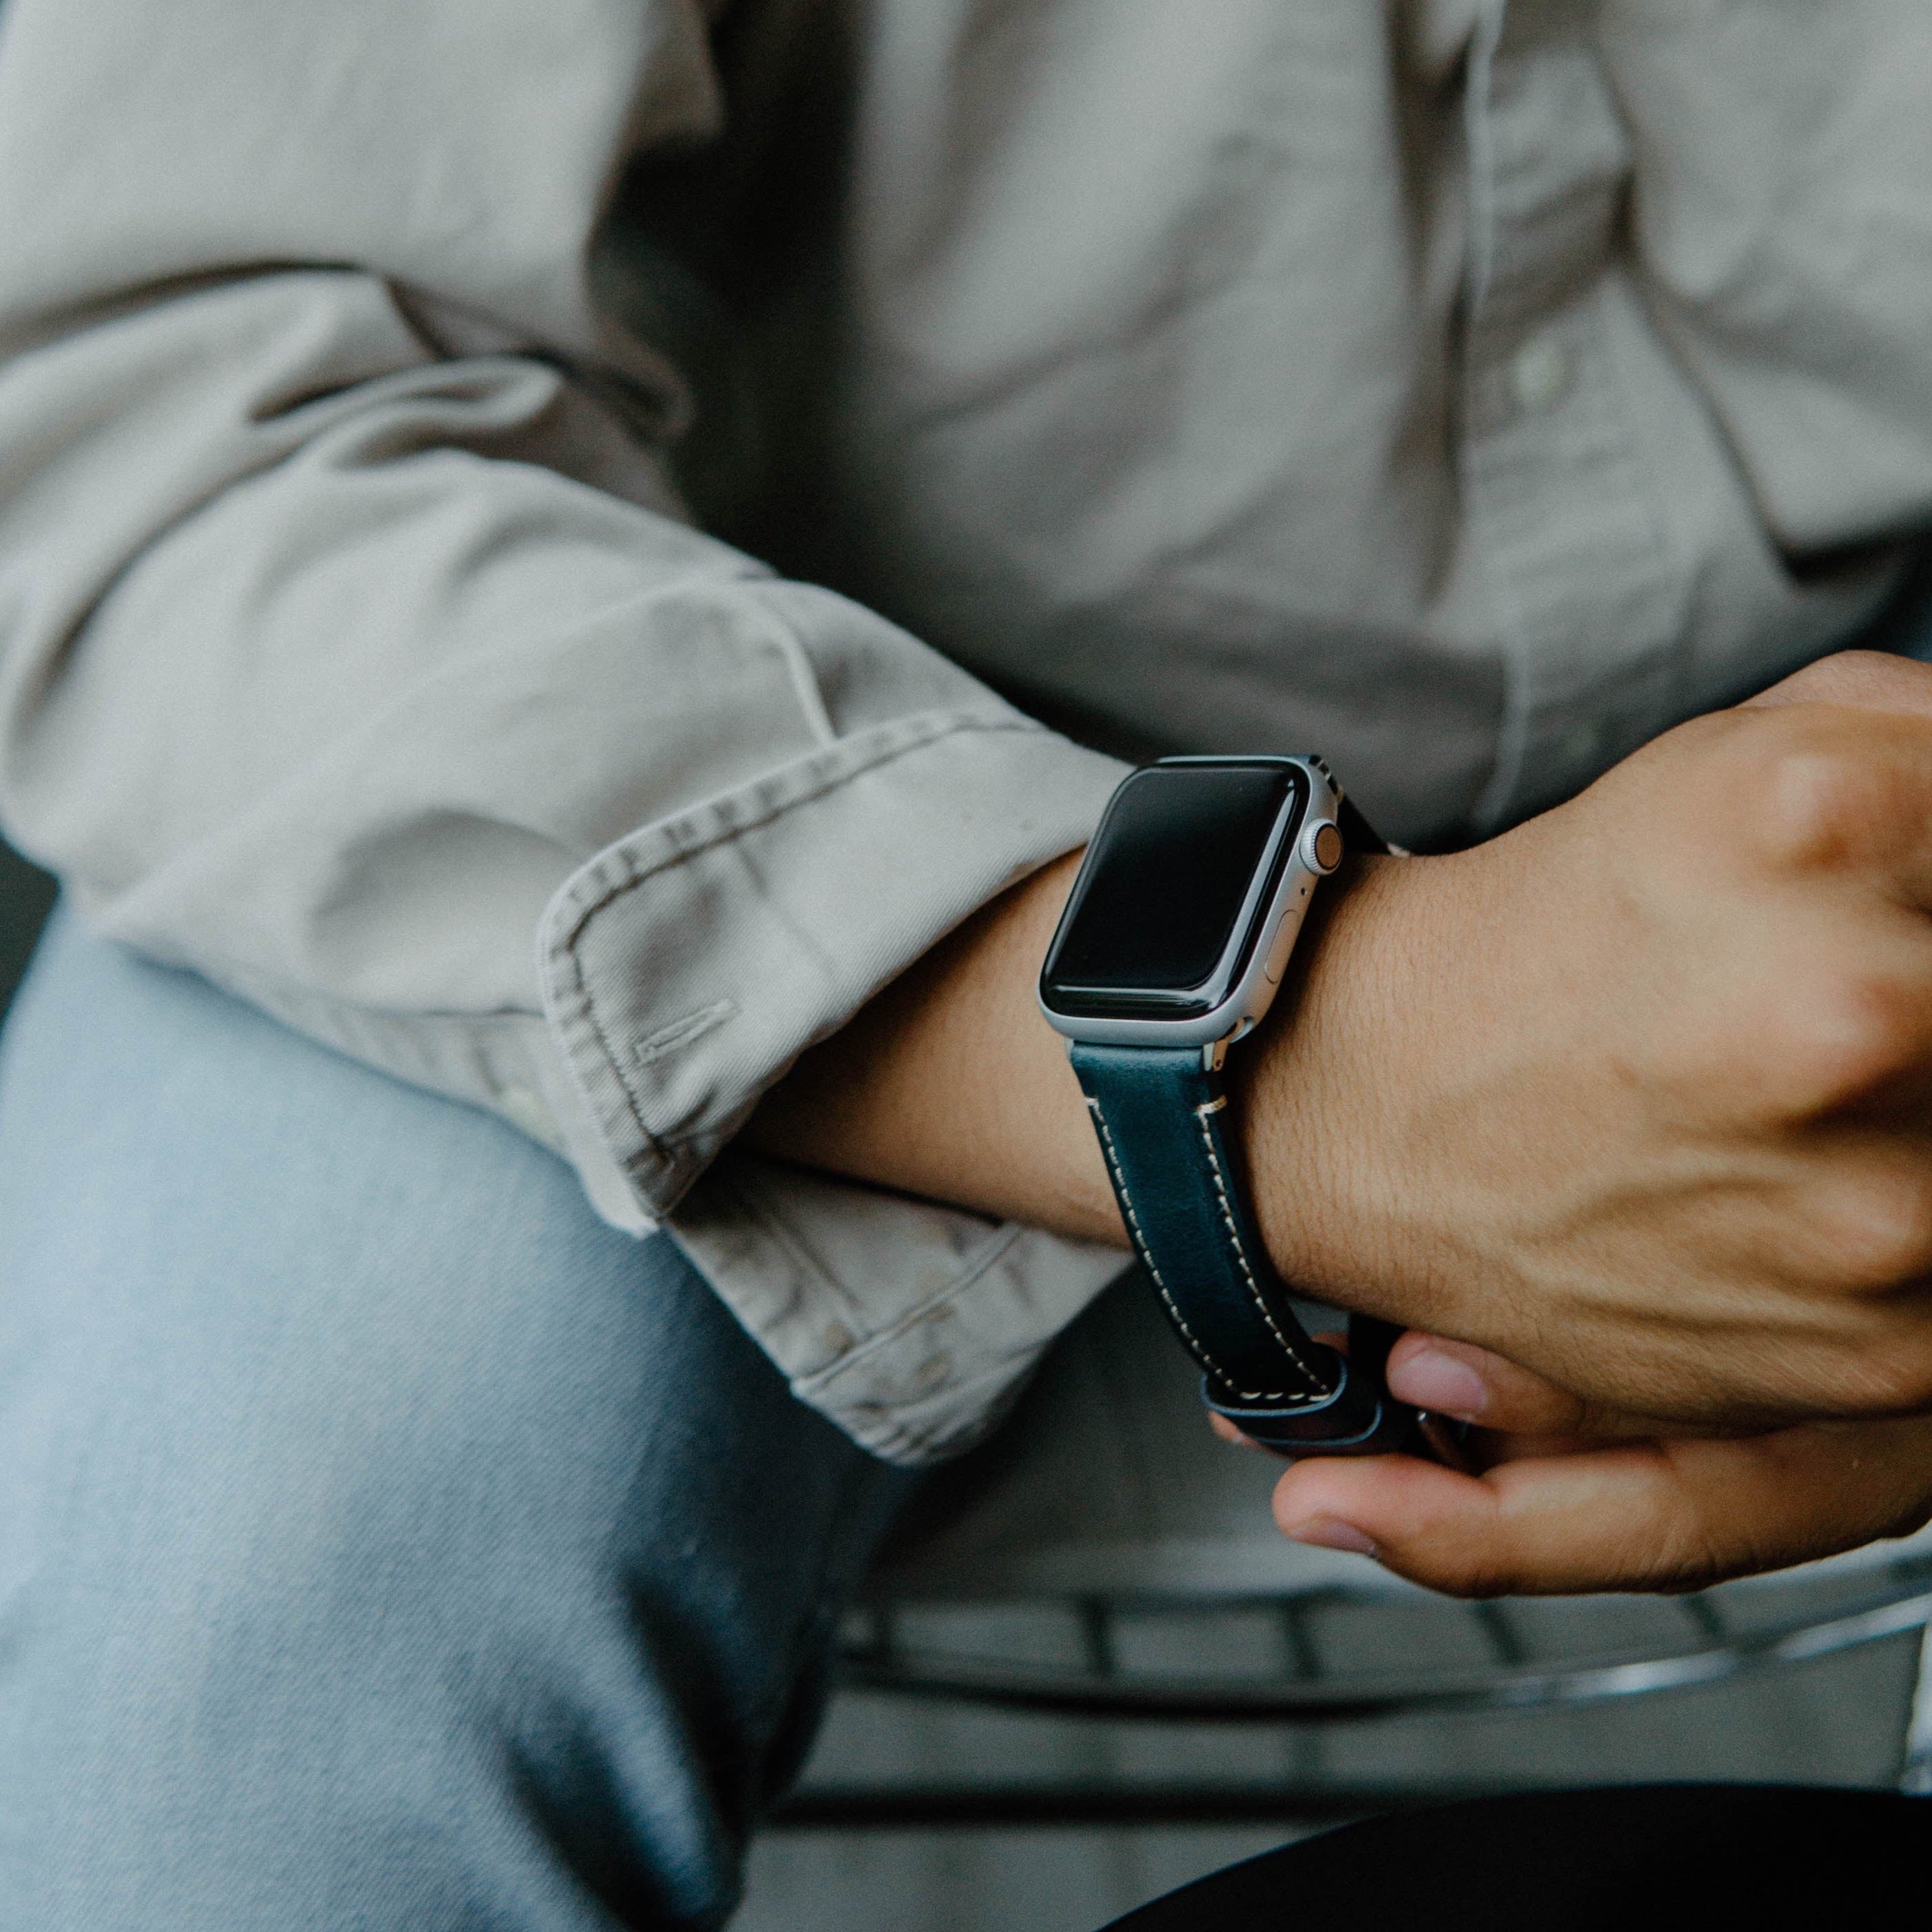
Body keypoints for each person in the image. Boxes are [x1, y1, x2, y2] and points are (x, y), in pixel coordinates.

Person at [0, 1, 1929, 1924]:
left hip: (1863, 816)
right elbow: (137, 399)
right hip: (600, 757)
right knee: (231, 1661)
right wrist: (1317, 1068)